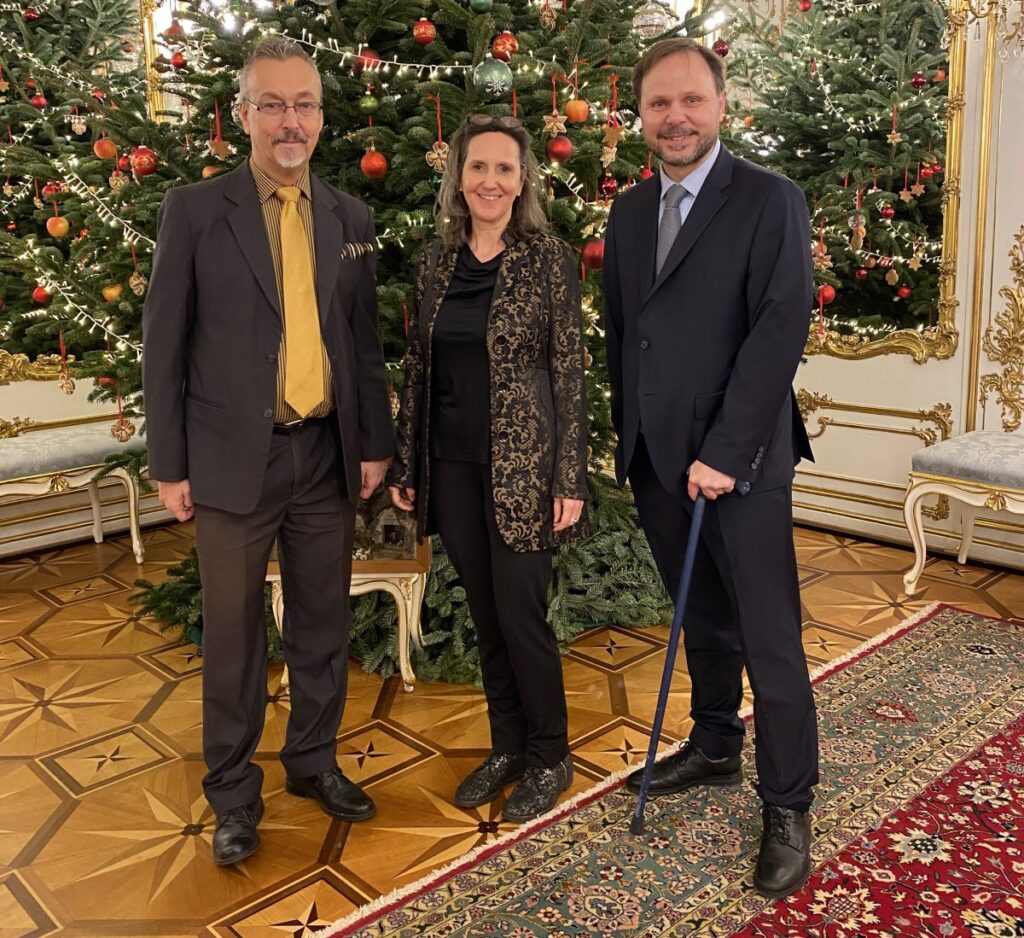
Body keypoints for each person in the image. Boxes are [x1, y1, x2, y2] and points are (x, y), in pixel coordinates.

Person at [142, 36, 394, 866]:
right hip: (226, 462)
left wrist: (373, 446)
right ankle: (232, 794)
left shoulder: (348, 218)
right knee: (235, 637)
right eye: (274, 104)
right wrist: (170, 464)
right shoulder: (193, 209)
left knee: (322, 624)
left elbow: (362, 342)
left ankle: (313, 762)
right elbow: (164, 345)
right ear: (243, 114)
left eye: (305, 104)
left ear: (322, 116)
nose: (292, 120)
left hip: (323, 456)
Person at [603, 38, 818, 898]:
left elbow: (778, 331)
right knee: (702, 615)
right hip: (658, 461)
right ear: (642, 116)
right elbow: (628, 334)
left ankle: (789, 803)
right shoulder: (625, 211)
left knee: (770, 638)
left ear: (722, 106)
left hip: (744, 463)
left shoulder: (771, 200)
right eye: (659, 104)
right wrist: (635, 444)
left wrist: (723, 455)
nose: (676, 118)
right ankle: (717, 741)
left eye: (691, 101)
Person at [389, 114, 588, 824]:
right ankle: (507, 746)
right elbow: (419, 367)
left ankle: (550, 752)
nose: (491, 181)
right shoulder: (435, 262)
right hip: (451, 465)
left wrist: (570, 476)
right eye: (479, 168)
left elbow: (568, 372)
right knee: (484, 613)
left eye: (505, 169)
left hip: (526, 469)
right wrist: (408, 461)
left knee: (521, 614)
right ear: (459, 178)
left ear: (523, 179)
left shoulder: (549, 259)